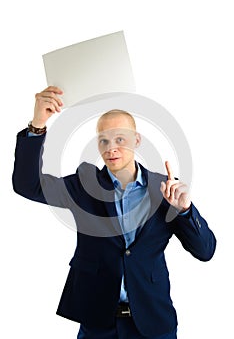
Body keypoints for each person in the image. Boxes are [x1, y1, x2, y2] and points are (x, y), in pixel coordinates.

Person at [12, 86, 216, 339]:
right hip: (98, 324)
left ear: (136, 141)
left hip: (153, 324)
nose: (111, 148)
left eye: (120, 138)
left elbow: (205, 251)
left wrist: (185, 210)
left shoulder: (165, 190)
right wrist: (37, 125)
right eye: (104, 140)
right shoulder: (84, 186)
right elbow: (27, 185)